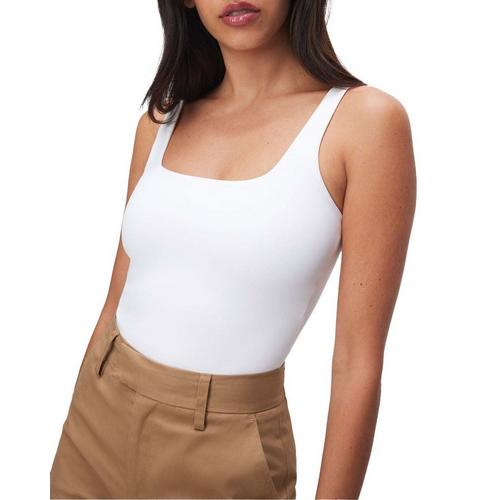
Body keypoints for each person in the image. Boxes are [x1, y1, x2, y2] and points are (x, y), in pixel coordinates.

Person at [50, 0, 416, 498]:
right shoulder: (162, 120)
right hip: (96, 424)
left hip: (228, 444)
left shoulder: (364, 122)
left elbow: (357, 362)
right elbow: (117, 297)